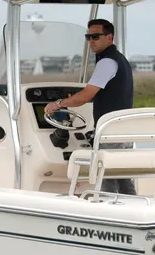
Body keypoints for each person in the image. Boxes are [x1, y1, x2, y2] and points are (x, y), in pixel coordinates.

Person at [44, 18, 136, 195]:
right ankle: (133, 206)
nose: (91, 41)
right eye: (88, 37)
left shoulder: (107, 62)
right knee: (123, 178)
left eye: (96, 36)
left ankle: (109, 213)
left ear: (110, 37)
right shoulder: (119, 60)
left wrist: (57, 104)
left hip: (110, 132)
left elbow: (85, 96)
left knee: (107, 178)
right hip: (123, 130)